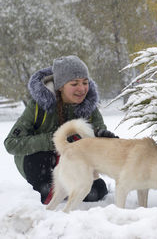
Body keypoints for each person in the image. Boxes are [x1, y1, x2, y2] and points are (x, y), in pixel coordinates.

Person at [4, 55, 118, 204]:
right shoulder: (38, 106)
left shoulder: (89, 107)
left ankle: (66, 189)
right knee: (44, 174)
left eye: (85, 82)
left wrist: (104, 139)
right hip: (39, 162)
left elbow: (97, 142)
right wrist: (55, 140)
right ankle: (51, 189)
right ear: (60, 86)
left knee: (97, 191)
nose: (82, 88)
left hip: (72, 162)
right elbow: (11, 143)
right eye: (74, 83)